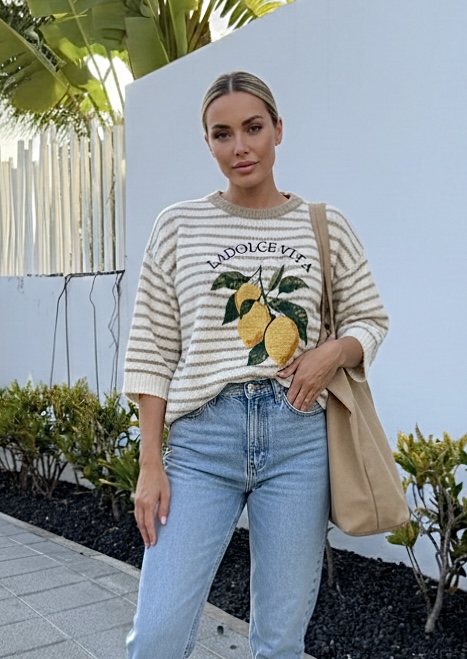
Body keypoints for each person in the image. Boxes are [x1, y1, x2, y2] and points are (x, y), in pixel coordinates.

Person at [123, 71, 389, 659]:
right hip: (201, 443)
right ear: (208, 143)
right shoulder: (178, 225)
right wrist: (149, 463)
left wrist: (330, 354)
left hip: (299, 441)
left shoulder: (326, 225)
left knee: (279, 642)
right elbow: (151, 351)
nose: (240, 147)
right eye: (223, 134)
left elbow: (370, 321)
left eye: (253, 128)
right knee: (157, 635)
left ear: (278, 130)